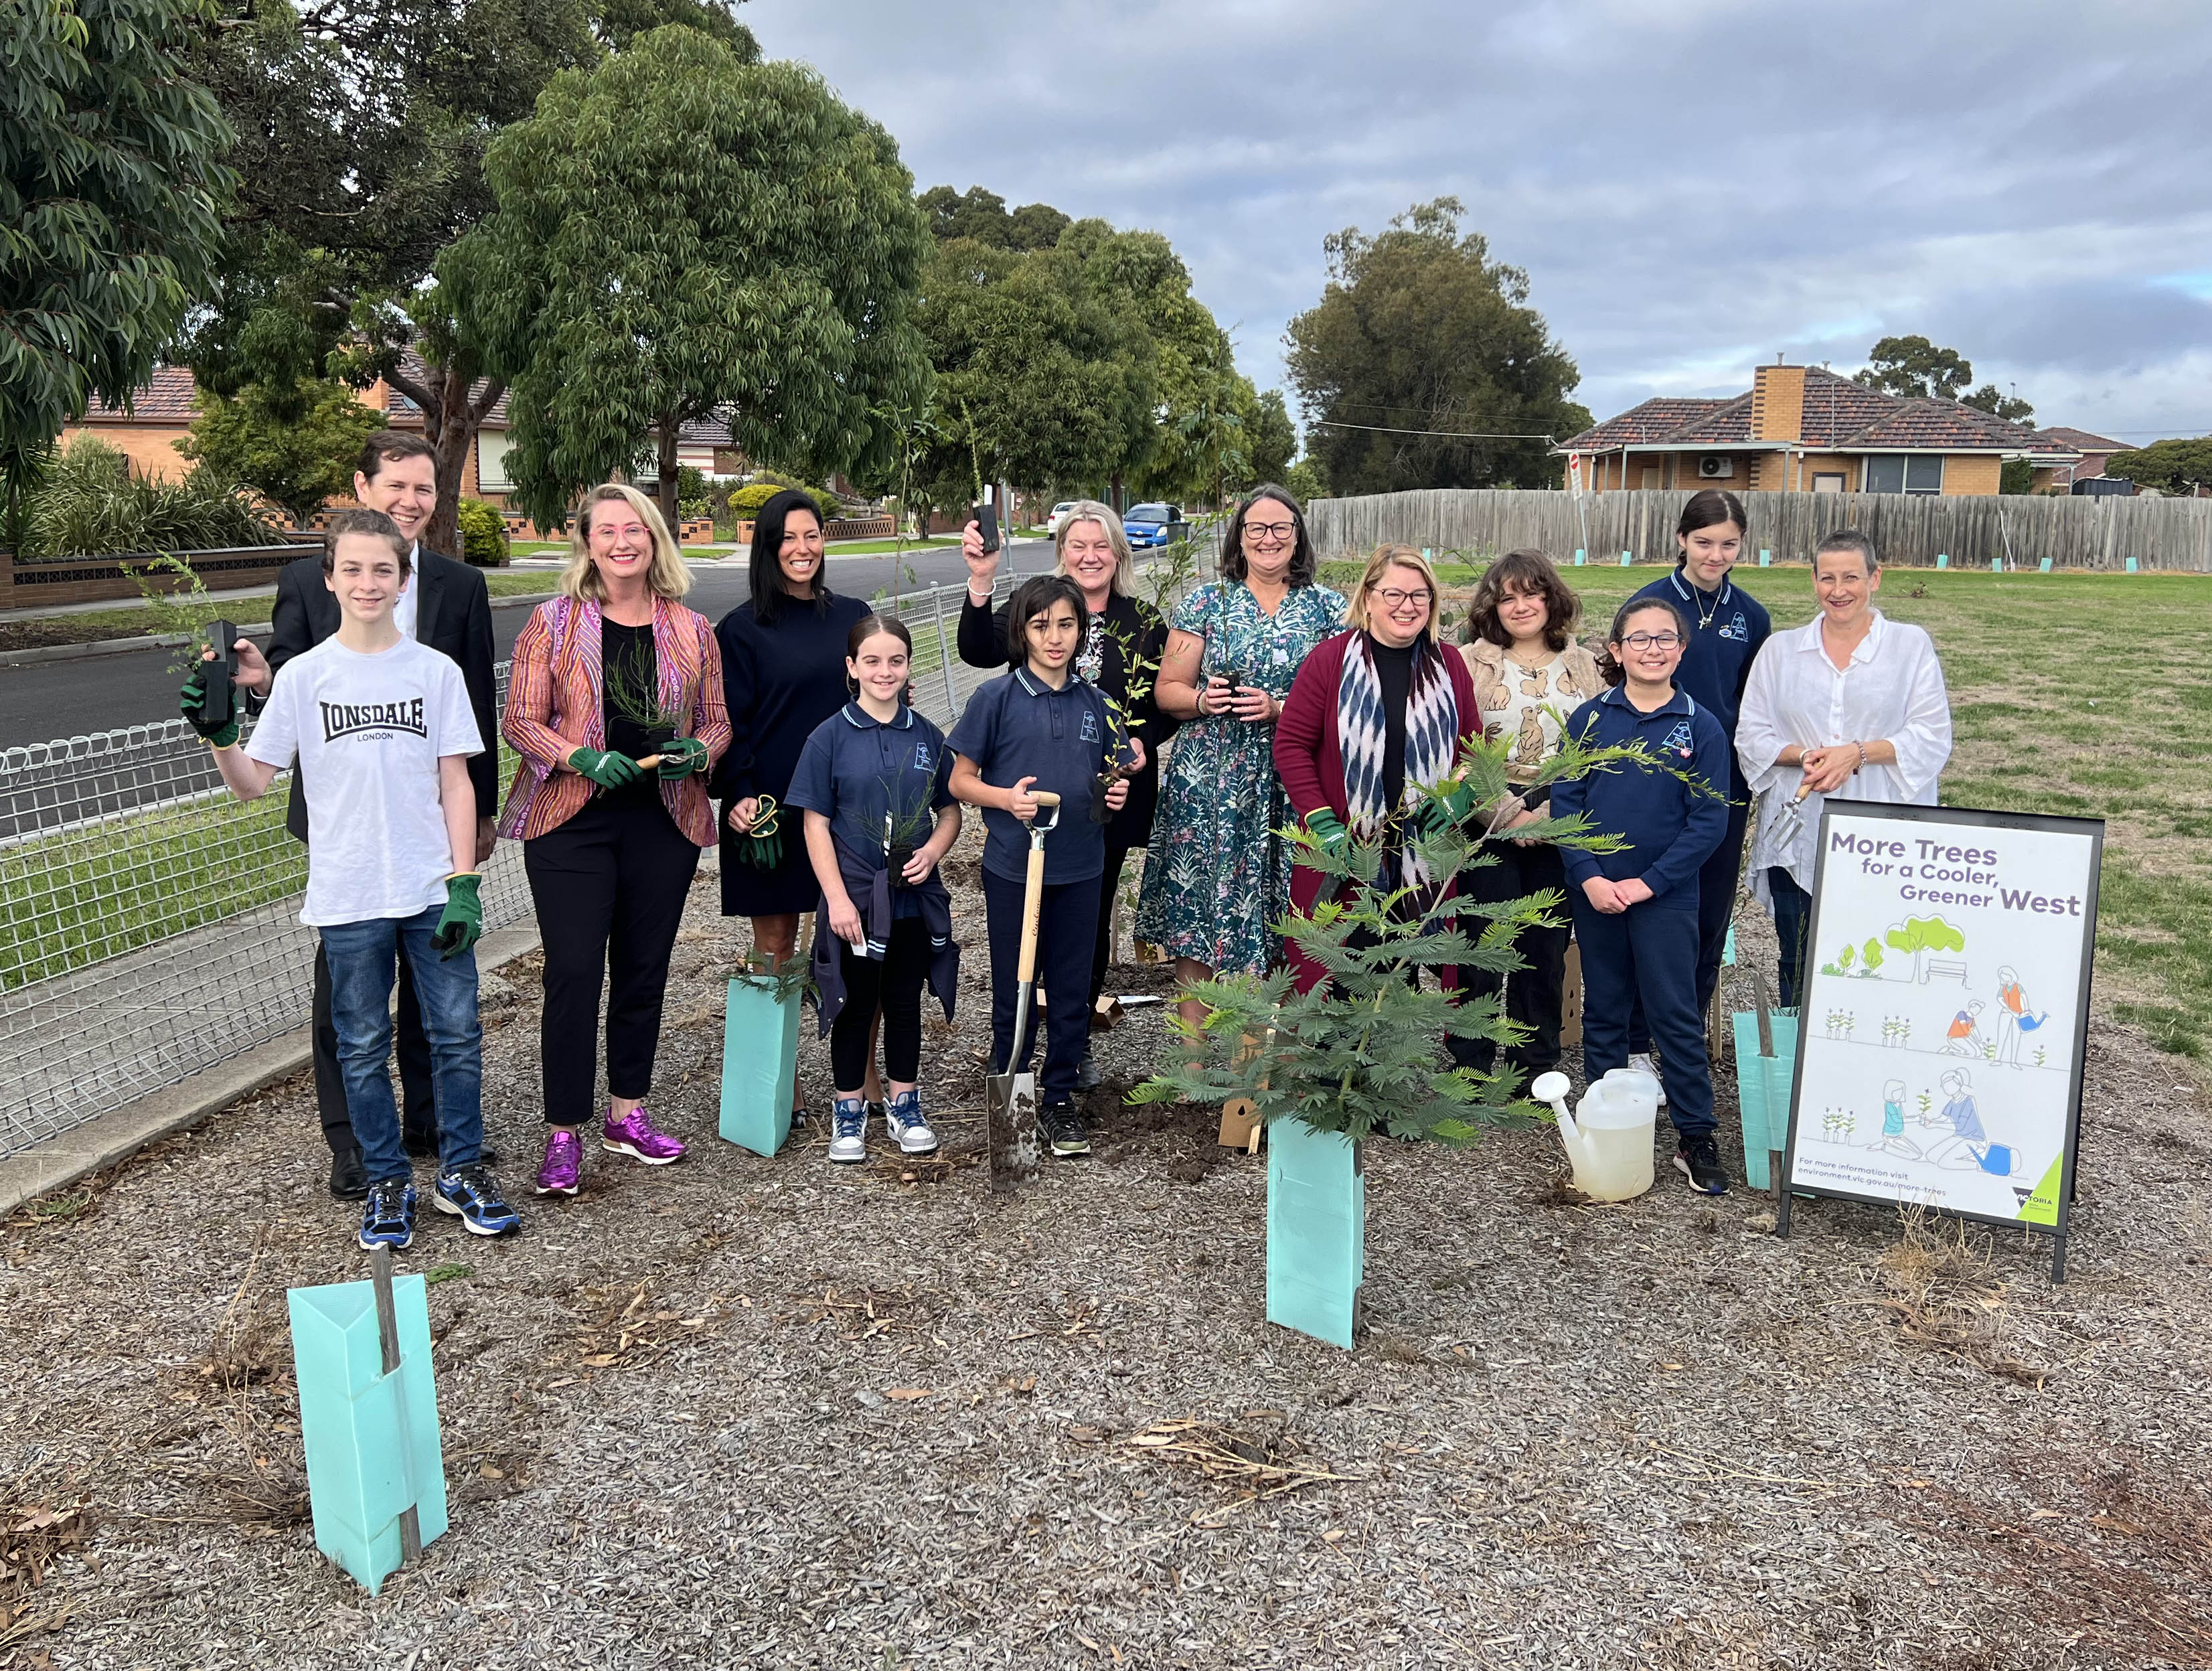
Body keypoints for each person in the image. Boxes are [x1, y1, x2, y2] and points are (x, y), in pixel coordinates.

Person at [183, 510, 516, 1248]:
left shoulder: (435, 672)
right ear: (330, 579)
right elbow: (253, 783)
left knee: (457, 1034)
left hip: (431, 890)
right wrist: (219, 738)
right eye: (354, 570)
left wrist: (464, 882)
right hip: (348, 897)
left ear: (403, 580)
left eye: (383, 570)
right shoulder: (303, 677)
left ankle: (461, 1170)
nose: (369, 583)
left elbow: (456, 782)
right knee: (361, 1044)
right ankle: (387, 1179)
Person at [232, 430, 499, 1200]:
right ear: (364, 487)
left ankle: (433, 1126)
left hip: (431, 818)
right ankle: (351, 1141)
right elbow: (289, 679)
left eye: (425, 490)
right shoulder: (312, 577)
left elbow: (472, 700)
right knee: (347, 1003)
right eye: (397, 487)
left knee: (438, 994)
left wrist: (475, 817)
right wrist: (252, 690)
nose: (412, 501)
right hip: (346, 821)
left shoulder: (459, 585)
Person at [498, 485, 729, 1197]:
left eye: (636, 529)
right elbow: (521, 720)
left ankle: (627, 1113)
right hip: (575, 818)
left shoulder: (693, 630)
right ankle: (563, 1129)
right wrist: (579, 756)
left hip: (661, 821)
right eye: (607, 531)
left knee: (643, 969)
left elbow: (718, 721)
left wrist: (702, 751)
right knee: (572, 971)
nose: (623, 542)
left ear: (655, 539)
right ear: (587, 542)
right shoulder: (553, 623)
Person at [957, 500, 1173, 1089]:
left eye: (1102, 545)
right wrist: (981, 578)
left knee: (1088, 917)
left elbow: (1161, 699)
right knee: (1029, 930)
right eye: (1078, 545)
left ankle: (1070, 1045)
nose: (1090, 555)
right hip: (1028, 804)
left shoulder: (1144, 620)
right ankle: (1023, 1042)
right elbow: (979, 650)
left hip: (1102, 797)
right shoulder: (1038, 608)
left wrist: (1140, 740)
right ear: (1062, 553)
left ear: (1119, 553)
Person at [1137, 487, 1345, 1034]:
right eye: (1257, 528)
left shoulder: (1327, 608)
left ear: (1297, 537)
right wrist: (1207, 700)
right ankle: (1194, 1059)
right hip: (1211, 779)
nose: (1269, 539)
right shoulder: (1207, 603)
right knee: (1199, 908)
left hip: (1292, 776)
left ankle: (1274, 1055)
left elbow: (1346, 701)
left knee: (1286, 904)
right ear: (1239, 537)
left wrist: (1282, 708)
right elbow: (1168, 689)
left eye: (1281, 529)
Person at [1549, 596, 1732, 1194]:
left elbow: (1708, 821)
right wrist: (1591, 876)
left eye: (1664, 639)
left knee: (1673, 1014)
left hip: (1666, 895)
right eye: (1639, 639)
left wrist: (1650, 882)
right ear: (1616, 649)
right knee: (1604, 1008)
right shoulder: (1590, 719)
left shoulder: (1701, 726)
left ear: (1681, 649)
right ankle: (1609, 1129)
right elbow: (1567, 803)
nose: (1652, 649)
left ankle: (1695, 1135)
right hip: (1597, 891)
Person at [948, 576, 1133, 1158]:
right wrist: (1007, 799)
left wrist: (1115, 792)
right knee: (1018, 984)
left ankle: (1058, 1098)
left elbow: (1110, 774)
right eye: (1040, 625)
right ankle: (1014, 1087)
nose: (1055, 638)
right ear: (1020, 632)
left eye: (1067, 625)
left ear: (1082, 631)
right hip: (1013, 869)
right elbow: (959, 780)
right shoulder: (994, 700)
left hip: (1082, 867)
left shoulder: (1099, 705)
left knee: (1072, 987)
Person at [1735, 530, 1953, 1007]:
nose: (1839, 590)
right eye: (1827, 577)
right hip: (1799, 830)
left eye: (1852, 577)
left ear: (1875, 578)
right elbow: (1751, 733)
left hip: (1885, 830)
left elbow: (1932, 733)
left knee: (1882, 953)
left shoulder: (1908, 647)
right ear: (1813, 580)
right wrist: (1803, 756)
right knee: (1799, 954)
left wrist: (1857, 752)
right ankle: (1801, 1064)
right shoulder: (1781, 652)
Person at [714, 490, 872, 1130]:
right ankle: (780, 1077)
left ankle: (856, 1075)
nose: (802, 549)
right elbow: (731, 723)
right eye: (789, 539)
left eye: (812, 536)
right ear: (768, 547)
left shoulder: (854, 617)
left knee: (856, 940)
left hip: (846, 807)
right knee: (777, 942)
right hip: (772, 809)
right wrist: (739, 792)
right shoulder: (741, 629)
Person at [790, 616, 963, 1164]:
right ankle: (849, 1109)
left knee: (904, 1001)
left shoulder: (927, 736)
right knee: (855, 1005)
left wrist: (934, 852)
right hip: (857, 902)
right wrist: (837, 899)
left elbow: (950, 810)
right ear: (851, 668)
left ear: (909, 666)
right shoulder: (829, 737)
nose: (884, 671)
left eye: (895, 660)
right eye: (872, 661)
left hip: (911, 897)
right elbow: (815, 823)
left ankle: (904, 1101)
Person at [1274, 545, 1482, 994]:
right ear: (1367, 597)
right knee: (1338, 974)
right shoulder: (1329, 661)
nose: (1407, 606)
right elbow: (1291, 746)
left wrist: (1453, 800)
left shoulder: (1449, 665)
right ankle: (1335, 1067)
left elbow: (1473, 752)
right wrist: (1322, 822)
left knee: (1397, 978)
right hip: (1347, 849)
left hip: (1421, 850)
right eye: (1393, 594)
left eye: (1419, 595)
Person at [1624, 490, 1771, 1092]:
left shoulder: (1752, 617)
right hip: (1653, 783)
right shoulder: (1649, 606)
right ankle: (1635, 1045)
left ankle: (1679, 1039)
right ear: (1682, 539)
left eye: (1728, 543)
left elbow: (1758, 703)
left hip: (1723, 785)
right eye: (1704, 541)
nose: (1716, 554)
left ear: (1742, 545)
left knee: (1709, 915)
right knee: (1651, 905)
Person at [1452, 548, 1605, 1082]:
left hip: (1560, 813)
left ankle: (1533, 1070)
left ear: (1551, 597)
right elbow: (1457, 747)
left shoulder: (1583, 664)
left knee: (1544, 946)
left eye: (1531, 593)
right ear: (1492, 607)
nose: (1520, 606)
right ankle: (1469, 1066)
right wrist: (1505, 813)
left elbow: (1597, 747)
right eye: (1507, 597)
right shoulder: (1469, 661)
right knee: (1483, 941)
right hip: (1485, 816)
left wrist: (1549, 810)